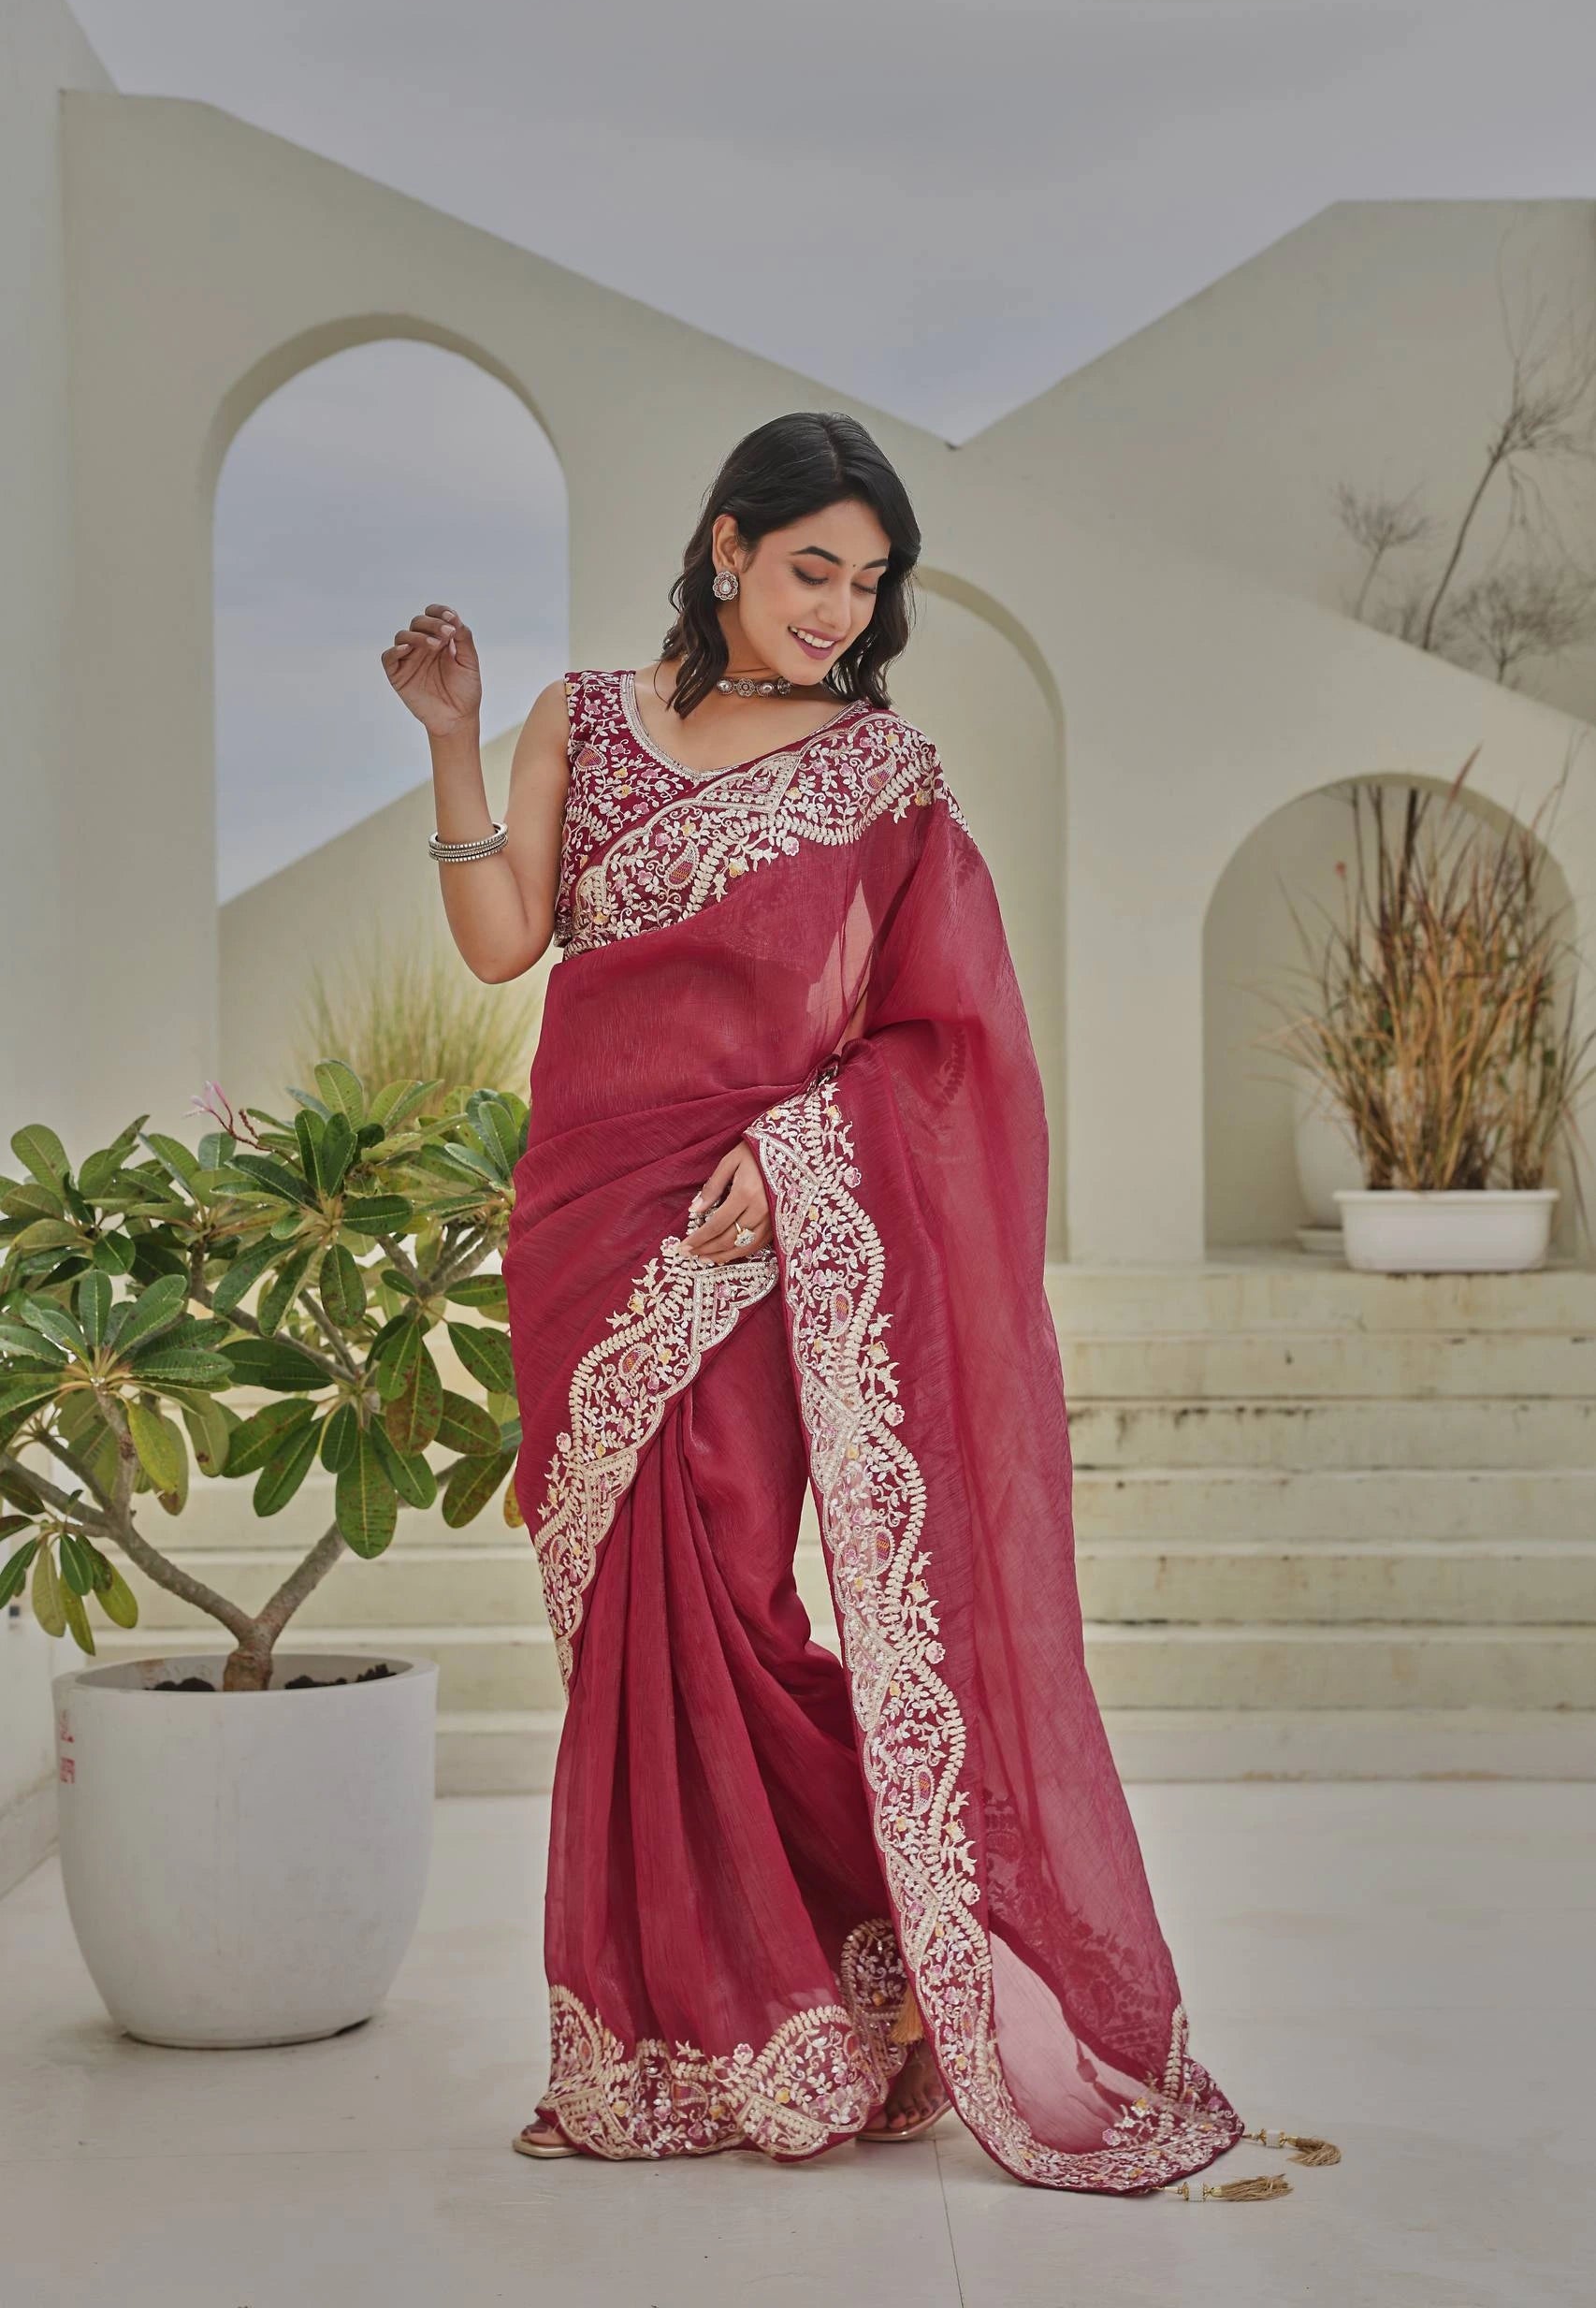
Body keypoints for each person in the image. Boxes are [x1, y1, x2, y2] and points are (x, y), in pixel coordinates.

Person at [380, 411, 1327, 2198]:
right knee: (625, 1650)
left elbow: (947, 1042)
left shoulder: (878, 775)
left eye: (867, 583)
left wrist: (801, 1152)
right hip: (580, 1219)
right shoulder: (577, 719)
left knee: (727, 1602)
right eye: (811, 568)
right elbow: (508, 943)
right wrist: (447, 743)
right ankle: (671, 2049)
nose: (836, 610)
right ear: (725, 545)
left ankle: (876, 1984)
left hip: (748, 1232)